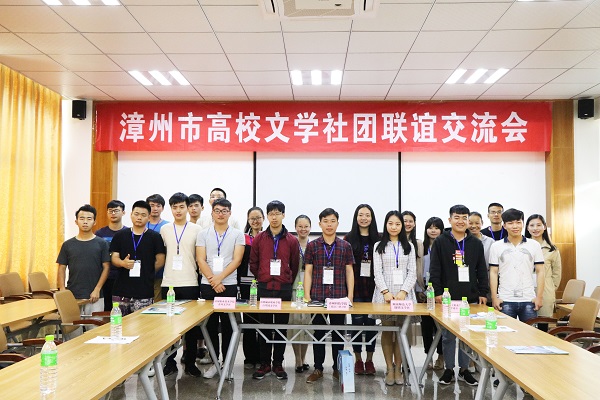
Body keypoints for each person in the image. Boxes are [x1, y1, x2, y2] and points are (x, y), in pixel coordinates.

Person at [429, 204, 488, 387]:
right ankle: (448, 369)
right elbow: (435, 268)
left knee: (466, 334)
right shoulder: (441, 241)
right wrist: (437, 292)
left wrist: (483, 292)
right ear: (450, 220)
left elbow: (481, 270)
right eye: (457, 217)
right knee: (448, 336)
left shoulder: (475, 243)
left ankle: (464, 370)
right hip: (447, 297)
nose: (461, 221)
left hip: (469, 297)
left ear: (468, 221)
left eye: (464, 218)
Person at [250, 200, 300, 380]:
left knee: (280, 328)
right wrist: (263, 276)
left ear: (283, 215)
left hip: (283, 289)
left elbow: (294, 264)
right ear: (267, 216)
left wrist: (285, 278)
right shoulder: (259, 239)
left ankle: (278, 363)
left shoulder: (292, 240)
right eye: (271, 214)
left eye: (278, 213)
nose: (274, 217)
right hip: (264, 288)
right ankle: (264, 364)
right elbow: (253, 263)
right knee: (264, 327)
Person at [304, 208, 354, 383]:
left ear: (338, 223)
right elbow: (308, 271)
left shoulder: (345, 246)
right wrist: (307, 295)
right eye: (325, 221)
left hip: (339, 297)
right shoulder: (312, 245)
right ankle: (318, 368)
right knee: (318, 333)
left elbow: (349, 271)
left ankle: (337, 368)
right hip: (317, 297)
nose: (329, 224)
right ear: (320, 224)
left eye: (333, 221)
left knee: (338, 333)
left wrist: (350, 296)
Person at [196, 198, 245, 379]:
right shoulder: (203, 234)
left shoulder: (237, 234)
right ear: (212, 213)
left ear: (230, 213)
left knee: (227, 326)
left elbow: (237, 260)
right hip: (208, 285)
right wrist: (213, 281)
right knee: (210, 326)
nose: (220, 214)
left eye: (224, 211)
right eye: (217, 210)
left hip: (228, 285)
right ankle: (215, 362)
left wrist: (219, 279)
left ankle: (227, 364)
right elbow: (200, 259)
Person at [160, 192, 203, 377]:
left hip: (190, 282)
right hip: (168, 282)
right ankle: (170, 362)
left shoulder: (196, 229)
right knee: (169, 326)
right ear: (171, 209)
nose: (178, 210)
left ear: (188, 208)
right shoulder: (164, 229)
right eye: (174, 207)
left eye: (181, 207)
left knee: (191, 327)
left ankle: (190, 362)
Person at [372, 210, 417, 386]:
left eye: (397, 224)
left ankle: (399, 368)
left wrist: (403, 292)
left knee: (400, 332)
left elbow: (412, 272)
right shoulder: (378, 246)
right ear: (385, 225)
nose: (394, 227)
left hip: (404, 296)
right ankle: (389, 368)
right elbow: (377, 272)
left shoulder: (409, 246)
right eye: (390, 223)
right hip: (385, 295)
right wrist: (385, 292)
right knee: (387, 330)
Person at [56, 204, 110, 333]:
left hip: (95, 296)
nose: (85, 221)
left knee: (95, 332)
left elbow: (106, 268)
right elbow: (61, 267)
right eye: (82, 218)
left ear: (94, 222)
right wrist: (62, 290)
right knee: (72, 333)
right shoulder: (68, 244)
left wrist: (97, 289)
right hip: (73, 295)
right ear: (76, 221)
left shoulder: (101, 243)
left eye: (89, 219)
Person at [110, 200, 166, 315]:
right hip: (121, 290)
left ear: (149, 217)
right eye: (136, 214)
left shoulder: (155, 237)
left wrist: (148, 271)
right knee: (119, 322)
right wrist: (123, 263)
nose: (139, 217)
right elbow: (114, 258)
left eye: (143, 215)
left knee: (143, 323)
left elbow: (160, 260)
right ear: (131, 215)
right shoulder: (120, 235)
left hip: (144, 290)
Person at [489, 208, 545, 323]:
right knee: (505, 332)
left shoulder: (534, 245)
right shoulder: (496, 246)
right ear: (504, 225)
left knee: (530, 333)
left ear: (523, 224)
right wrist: (494, 297)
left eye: (518, 222)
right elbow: (493, 272)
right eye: (510, 223)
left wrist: (539, 297)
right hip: (505, 299)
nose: (515, 226)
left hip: (529, 299)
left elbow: (540, 271)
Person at [343, 204, 379, 376]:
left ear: (372, 218)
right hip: (355, 288)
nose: (364, 218)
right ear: (356, 217)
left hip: (374, 289)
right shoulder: (348, 239)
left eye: (367, 215)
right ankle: (358, 359)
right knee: (357, 325)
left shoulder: (378, 239)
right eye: (360, 215)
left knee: (371, 325)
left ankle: (369, 359)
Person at [525, 214, 562, 331]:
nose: (535, 228)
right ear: (527, 228)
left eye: (538, 225)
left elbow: (557, 273)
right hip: (525, 290)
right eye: (532, 225)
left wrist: (550, 288)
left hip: (545, 292)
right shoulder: (522, 247)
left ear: (544, 227)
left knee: (542, 325)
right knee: (525, 325)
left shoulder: (552, 249)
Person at [238, 206, 264, 369]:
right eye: (252, 218)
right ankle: (249, 358)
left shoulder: (268, 238)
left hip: (263, 283)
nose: (255, 221)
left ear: (263, 219)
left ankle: (262, 357)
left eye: (258, 218)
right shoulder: (243, 239)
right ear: (248, 220)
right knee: (248, 320)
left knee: (262, 321)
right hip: (246, 283)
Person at [419, 217, 444, 370]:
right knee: (426, 327)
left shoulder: (444, 246)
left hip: (440, 292)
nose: (433, 230)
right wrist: (420, 290)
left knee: (440, 326)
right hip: (424, 291)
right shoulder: (421, 247)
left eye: (436, 228)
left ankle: (441, 356)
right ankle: (428, 355)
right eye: (430, 227)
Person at [95, 200, 128, 311]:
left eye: (116, 211)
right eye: (110, 211)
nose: (113, 213)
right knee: (106, 308)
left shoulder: (128, 232)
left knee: (121, 308)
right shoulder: (100, 233)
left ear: (123, 212)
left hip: (122, 276)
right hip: (105, 277)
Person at [289, 214, 312, 374]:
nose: (303, 229)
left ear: (310, 228)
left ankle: (303, 358)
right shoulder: (291, 245)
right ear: (295, 227)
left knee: (307, 326)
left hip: (309, 291)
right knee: (295, 324)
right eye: (300, 226)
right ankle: (297, 359)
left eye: (306, 226)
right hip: (293, 288)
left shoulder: (314, 245)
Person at [146, 194, 170, 303]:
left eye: (158, 205)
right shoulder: (142, 225)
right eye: (152, 205)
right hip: (142, 271)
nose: (155, 208)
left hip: (161, 271)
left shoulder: (167, 226)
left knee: (157, 303)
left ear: (163, 208)